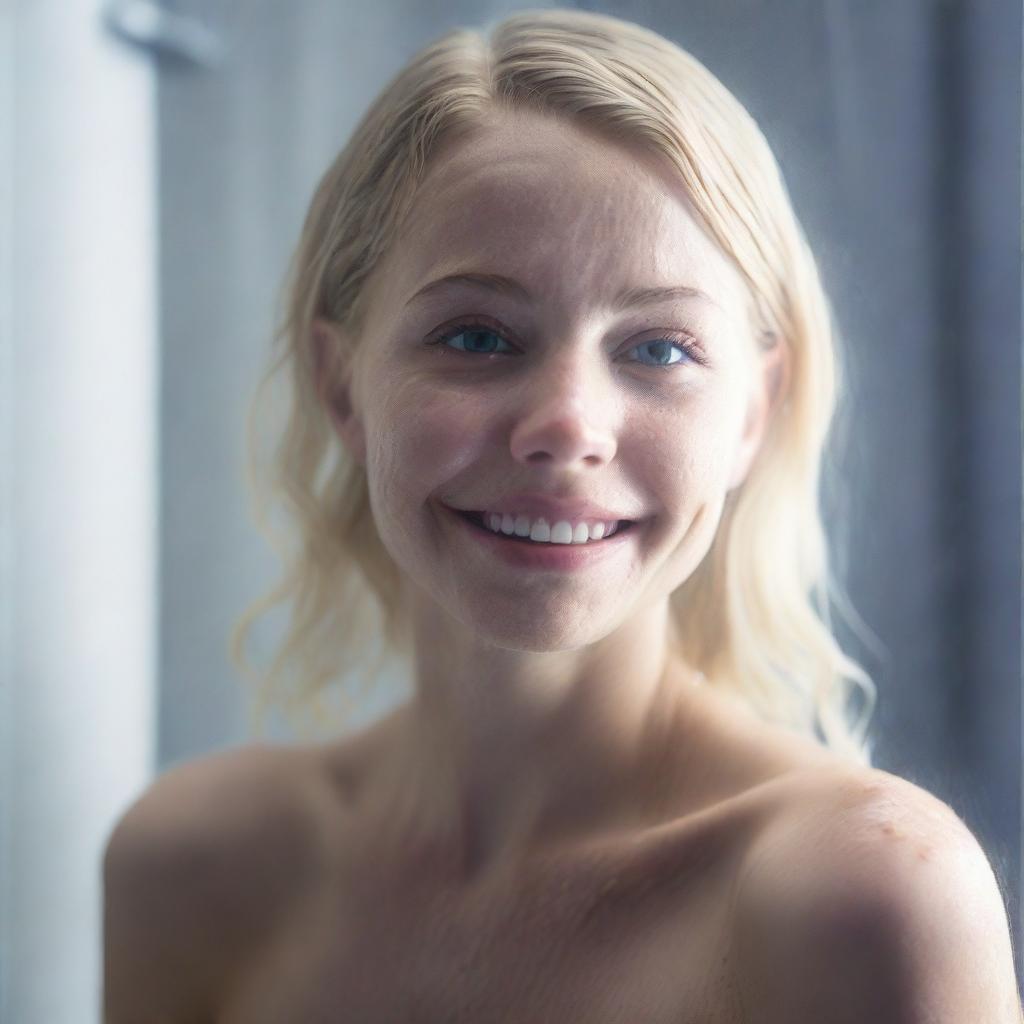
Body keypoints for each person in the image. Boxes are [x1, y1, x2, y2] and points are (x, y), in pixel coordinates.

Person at [102, 8, 1022, 1022]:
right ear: (341, 387)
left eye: (658, 349)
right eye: (477, 336)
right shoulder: (190, 865)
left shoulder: (866, 894)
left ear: (750, 415)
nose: (567, 427)